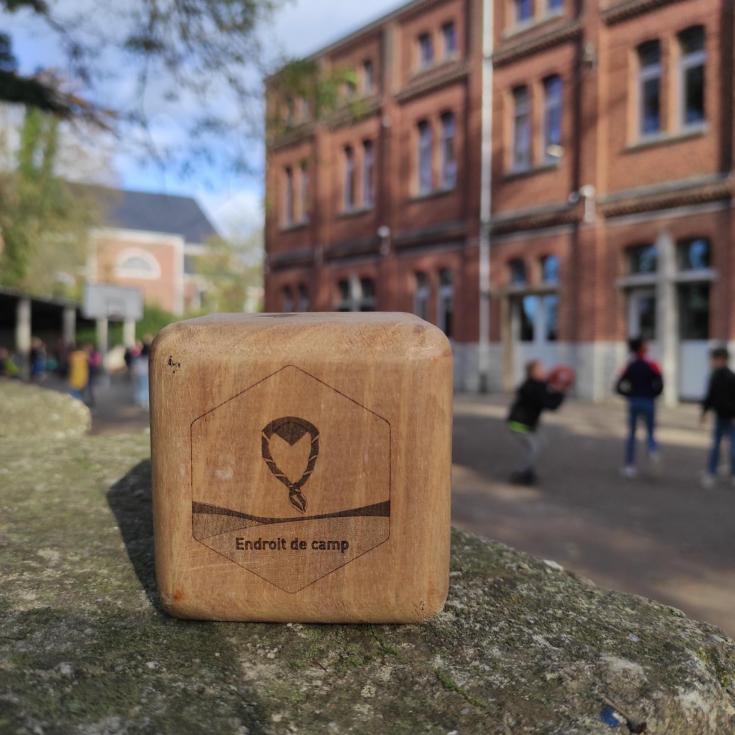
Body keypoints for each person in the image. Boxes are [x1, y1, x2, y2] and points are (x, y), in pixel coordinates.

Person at [507, 360, 568, 486]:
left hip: (525, 424)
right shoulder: (533, 386)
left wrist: (557, 389)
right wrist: (561, 392)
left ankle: (526, 470)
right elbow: (550, 404)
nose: (544, 371)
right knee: (534, 447)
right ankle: (521, 473)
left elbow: (547, 395)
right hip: (519, 424)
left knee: (537, 444)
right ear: (533, 372)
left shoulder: (535, 384)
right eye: (540, 369)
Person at [616, 337, 664, 478]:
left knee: (631, 434)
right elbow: (660, 383)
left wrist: (629, 394)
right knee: (650, 431)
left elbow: (618, 386)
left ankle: (629, 466)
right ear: (641, 348)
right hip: (648, 401)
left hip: (634, 401)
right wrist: (653, 394)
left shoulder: (630, 365)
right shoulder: (652, 364)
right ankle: (653, 450)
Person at [700, 346, 735, 488]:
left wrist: (704, 411)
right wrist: (704, 411)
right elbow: (710, 396)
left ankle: (720, 472)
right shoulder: (716, 376)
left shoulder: (727, 377)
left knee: (729, 448)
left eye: (714, 359)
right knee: (719, 446)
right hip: (723, 417)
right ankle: (713, 472)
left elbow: (711, 396)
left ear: (721, 359)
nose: (712, 362)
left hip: (729, 418)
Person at [132, 338, 151, 409]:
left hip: (140, 374)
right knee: (145, 388)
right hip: (145, 374)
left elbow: (135, 366)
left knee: (141, 387)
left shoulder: (139, 357)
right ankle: (145, 402)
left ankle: (141, 401)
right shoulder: (148, 357)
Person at [84, 343, 103, 407]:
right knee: (87, 387)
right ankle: (89, 400)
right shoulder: (86, 354)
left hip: (92, 373)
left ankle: (92, 401)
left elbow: (97, 363)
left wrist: (89, 359)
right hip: (87, 373)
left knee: (91, 388)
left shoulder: (95, 354)